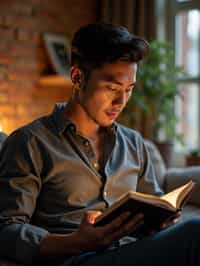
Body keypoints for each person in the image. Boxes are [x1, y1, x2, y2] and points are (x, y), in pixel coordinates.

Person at [0, 22, 199, 266]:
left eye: (129, 89)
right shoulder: (30, 142)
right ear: (77, 77)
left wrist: (163, 220)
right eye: (112, 88)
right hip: (75, 259)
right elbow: (6, 231)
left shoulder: (134, 143)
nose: (121, 101)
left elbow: (153, 206)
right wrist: (76, 241)